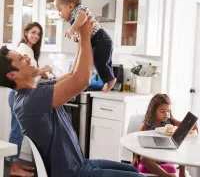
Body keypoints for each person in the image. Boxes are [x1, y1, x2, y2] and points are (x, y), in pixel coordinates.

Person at [0, 17, 145, 177]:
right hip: (74, 173)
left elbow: (72, 74)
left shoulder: (35, 89)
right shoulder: (30, 100)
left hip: (80, 163)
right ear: (12, 74)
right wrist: (84, 35)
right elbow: (82, 80)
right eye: (21, 59)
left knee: (132, 170)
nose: (27, 57)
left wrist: (83, 43)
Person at [7, 22, 52, 177]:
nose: (36, 36)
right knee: (17, 132)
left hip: (23, 95)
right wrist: (42, 70)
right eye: (33, 32)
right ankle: (13, 167)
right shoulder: (22, 51)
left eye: (38, 34)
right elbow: (23, 75)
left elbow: (31, 75)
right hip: (18, 95)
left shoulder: (30, 51)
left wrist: (41, 74)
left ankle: (17, 164)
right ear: (25, 33)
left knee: (19, 132)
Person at [53, 0, 116, 92]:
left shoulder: (78, 10)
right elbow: (83, 30)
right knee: (101, 62)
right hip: (98, 40)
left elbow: (82, 17)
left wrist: (72, 29)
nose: (59, 13)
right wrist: (77, 36)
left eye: (59, 10)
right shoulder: (74, 16)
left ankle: (110, 79)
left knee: (99, 61)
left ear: (70, 6)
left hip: (101, 39)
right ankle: (109, 78)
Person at [131, 94, 198, 177]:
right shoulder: (147, 124)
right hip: (152, 153)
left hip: (166, 151)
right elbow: (137, 142)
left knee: (180, 148)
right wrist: (135, 157)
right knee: (144, 159)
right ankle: (166, 175)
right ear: (153, 110)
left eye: (168, 111)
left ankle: (182, 173)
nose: (166, 114)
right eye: (162, 111)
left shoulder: (171, 121)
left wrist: (191, 124)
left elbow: (182, 125)